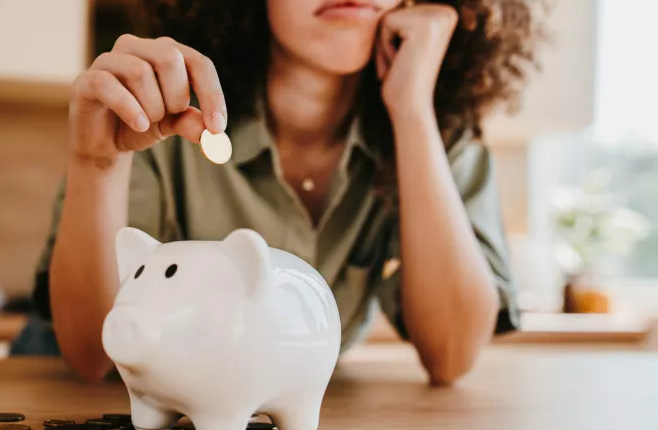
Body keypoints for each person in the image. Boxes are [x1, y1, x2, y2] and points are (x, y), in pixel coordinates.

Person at [30, 0, 541, 384]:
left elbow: (452, 356)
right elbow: (92, 358)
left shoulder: (439, 134)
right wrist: (97, 165)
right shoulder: (159, 108)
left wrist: (412, 110)